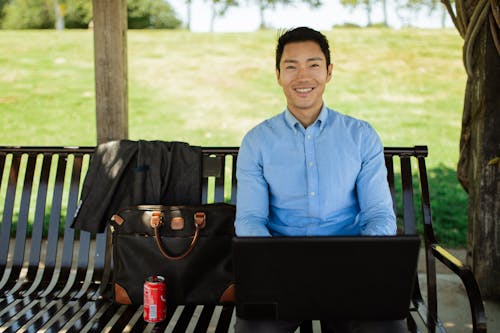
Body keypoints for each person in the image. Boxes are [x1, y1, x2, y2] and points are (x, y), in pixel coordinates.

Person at [234, 27, 407, 333]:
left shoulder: (361, 136)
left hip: (351, 270)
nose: (303, 77)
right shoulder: (256, 142)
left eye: (313, 65)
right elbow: (250, 218)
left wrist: (361, 260)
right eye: (291, 66)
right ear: (277, 74)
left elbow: (379, 214)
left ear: (328, 72)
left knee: (386, 328)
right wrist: (273, 265)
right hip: (280, 273)